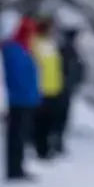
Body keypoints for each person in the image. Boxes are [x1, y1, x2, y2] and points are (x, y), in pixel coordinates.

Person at [1, 20, 41, 181]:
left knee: (20, 135)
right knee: (16, 135)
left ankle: (18, 166)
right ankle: (14, 169)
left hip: (26, 99)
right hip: (18, 100)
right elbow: (18, 77)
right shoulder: (14, 50)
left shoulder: (24, 49)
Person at [29, 17, 65, 159]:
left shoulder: (50, 44)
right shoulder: (36, 44)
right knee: (41, 122)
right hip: (41, 88)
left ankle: (46, 147)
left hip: (52, 88)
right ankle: (41, 148)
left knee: (49, 121)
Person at [53, 26, 85, 154]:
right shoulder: (66, 51)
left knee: (62, 117)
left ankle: (58, 141)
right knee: (60, 118)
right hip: (62, 89)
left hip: (66, 88)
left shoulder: (68, 51)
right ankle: (56, 142)